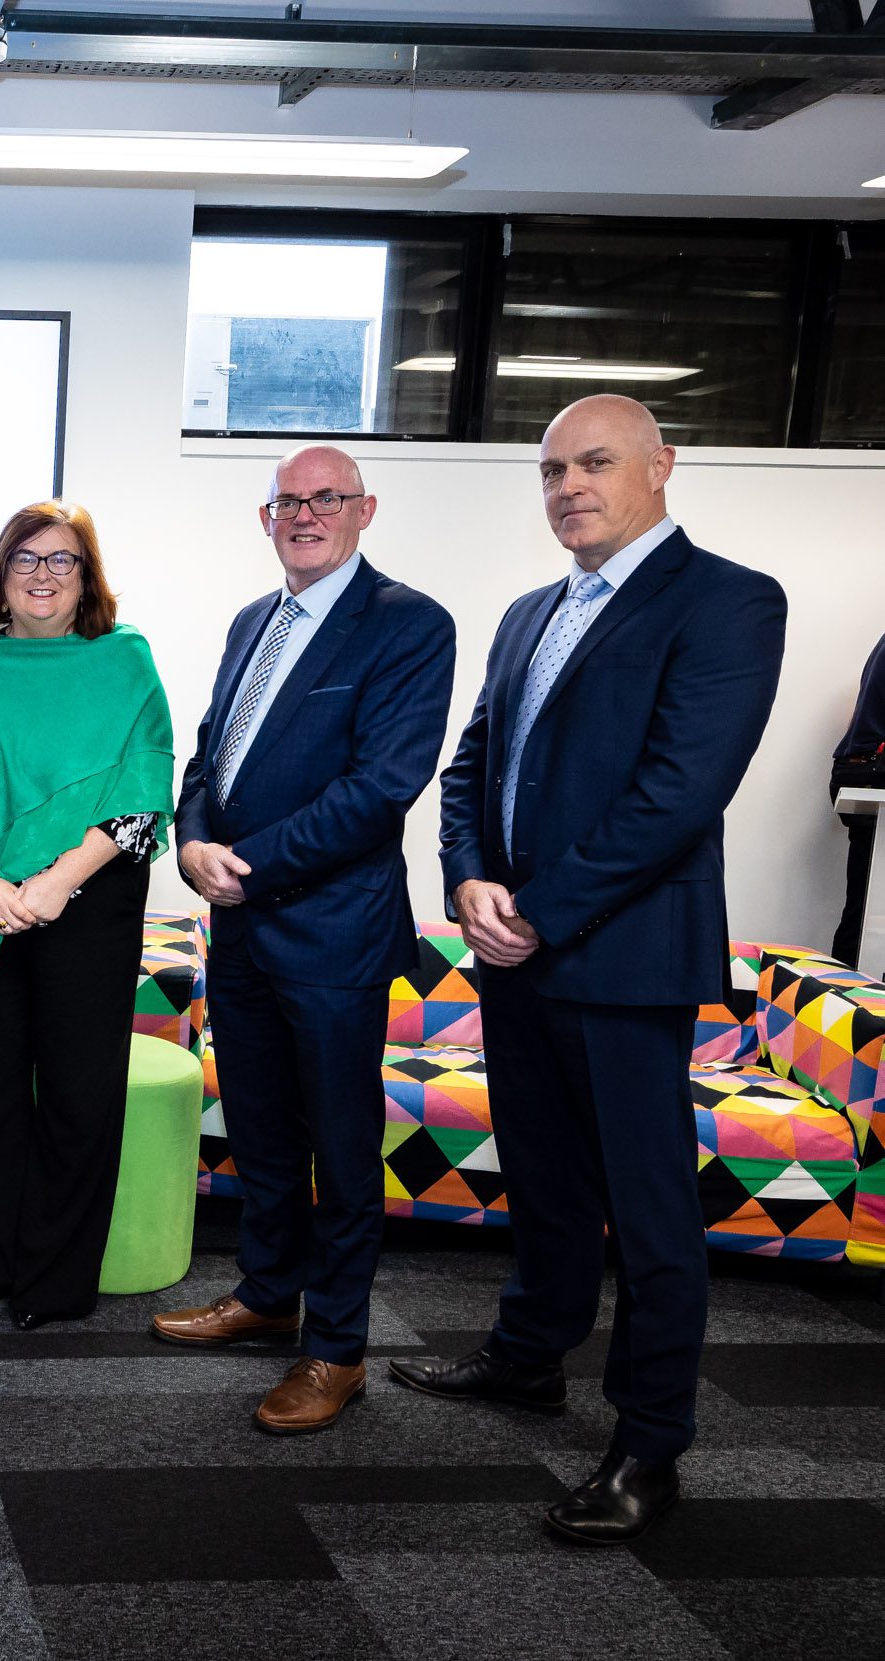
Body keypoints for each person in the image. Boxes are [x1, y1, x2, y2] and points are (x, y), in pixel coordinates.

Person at [404, 394, 786, 1545]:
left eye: (596, 462)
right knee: (545, 1176)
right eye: (552, 468)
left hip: (620, 958)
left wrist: (536, 911)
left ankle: (648, 1442)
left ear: (661, 466)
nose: (569, 484)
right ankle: (529, 1356)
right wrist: (468, 880)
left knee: (649, 1206)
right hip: (512, 951)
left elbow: (678, 791)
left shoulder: (726, 599)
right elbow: (474, 761)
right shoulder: (531, 611)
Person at [153, 446, 456, 1435]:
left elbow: (380, 787)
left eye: (326, 498)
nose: (306, 513)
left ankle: (336, 1349)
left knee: (340, 1146)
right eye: (289, 499)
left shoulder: (407, 625)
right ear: (264, 515)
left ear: (364, 510)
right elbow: (210, 755)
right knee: (264, 1134)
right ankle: (266, 1290)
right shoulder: (253, 622)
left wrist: (247, 861)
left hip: (330, 934)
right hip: (238, 928)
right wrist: (193, 837)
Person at [0, 500, 174, 1331]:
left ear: (87, 577)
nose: (43, 575)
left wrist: (60, 878)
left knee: (76, 1092)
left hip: (88, 904)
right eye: (25, 559)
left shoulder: (123, 661)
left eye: (62, 560)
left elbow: (144, 788)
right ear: (0, 576)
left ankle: (57, 1280)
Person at [827, 630, 885, 966]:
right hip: (870, 773)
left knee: (863, 910)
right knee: (865, 913)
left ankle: (847, 1004)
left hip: (861, 769)